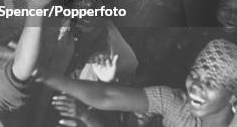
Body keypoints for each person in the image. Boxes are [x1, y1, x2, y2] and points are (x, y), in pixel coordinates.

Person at [38, 38, 237, 127]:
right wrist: (40, 73)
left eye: (210, 84)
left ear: (233, 96)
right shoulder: (177, 104)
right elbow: (106, 96)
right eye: (194, 74)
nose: (195, 86)